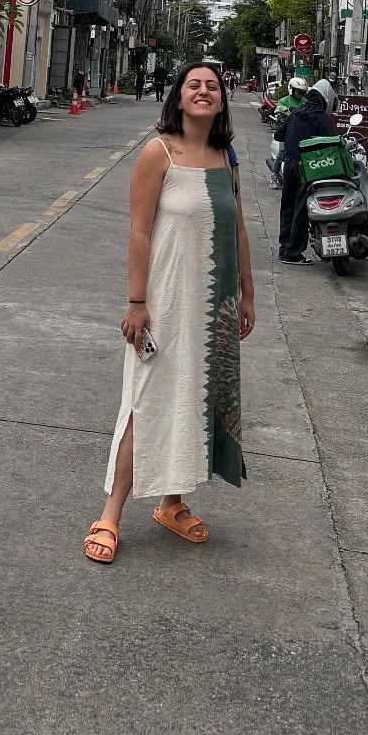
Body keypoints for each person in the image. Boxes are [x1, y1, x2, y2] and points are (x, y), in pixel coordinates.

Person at [84, 62, 255, 564]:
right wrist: (137, 303)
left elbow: (239, 228)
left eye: (212, 86)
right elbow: (139, 233)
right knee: (147, 399)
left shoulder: (226, 156)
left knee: (198, 397)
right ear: (178, 97)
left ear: (222, 100)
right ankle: (110, 514)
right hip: (164, 301)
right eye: (193, 85)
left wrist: (247, 293)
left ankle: (172, 503)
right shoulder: (158, 153)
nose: (203, 92)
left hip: (214, 302)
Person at [278, 82, 335, 261]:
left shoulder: (295, 113)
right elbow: (331, 145)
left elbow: (278, 134)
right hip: (307, 167)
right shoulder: (321, 118)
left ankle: (284, 248)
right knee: (301, 210)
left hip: (288, 164)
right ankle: (293, 253)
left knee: (287, 206)